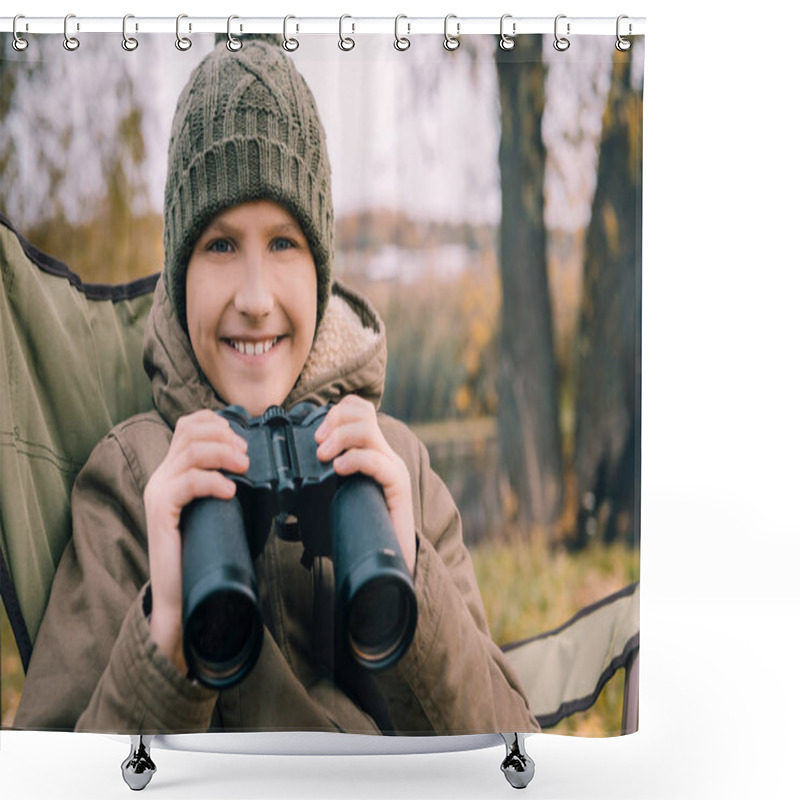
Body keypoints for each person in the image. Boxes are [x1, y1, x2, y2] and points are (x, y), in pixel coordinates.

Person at [16, 38, 537, 736]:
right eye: (220, 245)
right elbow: (51, 775)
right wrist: (166, 638)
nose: (256, 298)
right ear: (180, 276)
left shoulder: (395, 465)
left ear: (321, 273)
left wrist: (408, 572)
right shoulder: (136, 479)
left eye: (285, 243)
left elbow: (513, 751)